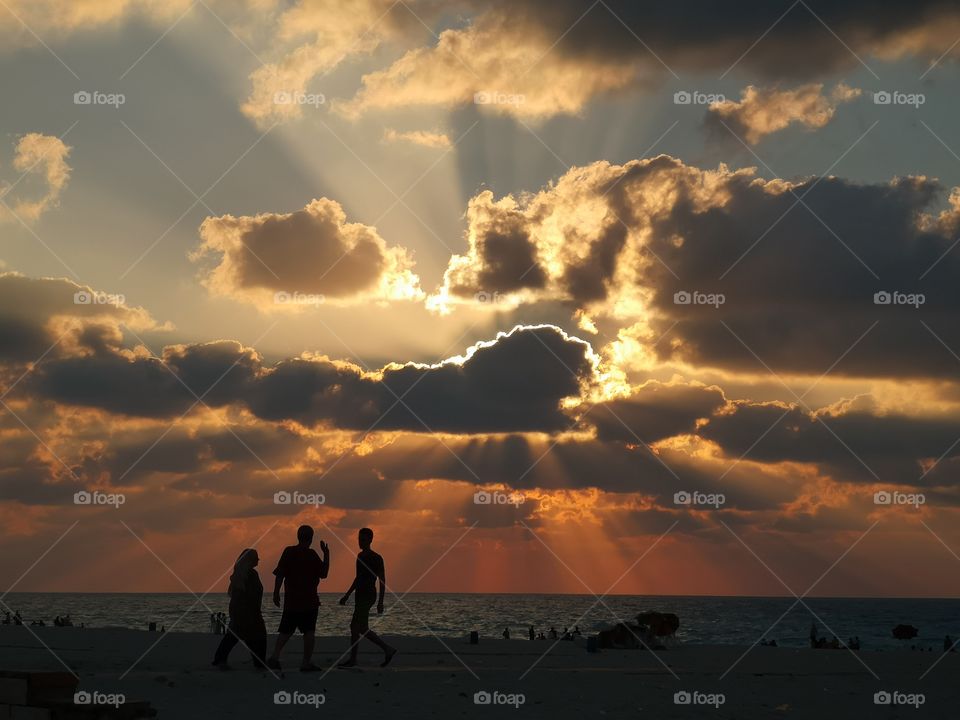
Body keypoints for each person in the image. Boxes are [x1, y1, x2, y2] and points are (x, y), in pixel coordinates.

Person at [266, 525, 329, 672]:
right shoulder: (312, 554)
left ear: (298, 536)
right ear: (311, 538)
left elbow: (280, 574)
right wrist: (326, 554)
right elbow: (324, 573)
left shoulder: (289, 551)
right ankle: (305, 663)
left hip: (292, 600)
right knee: (309, 632)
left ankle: (275, 657)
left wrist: (276, 593)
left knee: (286, 631)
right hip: (309, 601)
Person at [338, 527, 396, 668]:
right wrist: (347, 595)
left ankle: (354, 659)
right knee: (361, 628)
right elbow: (357, 578)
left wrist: (380, 602)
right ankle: (387, 649)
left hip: (368, 595)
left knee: (355, 626)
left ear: (370, 540)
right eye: (359, 539)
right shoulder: (359, 556)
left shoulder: (376, 558)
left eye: (363, 539)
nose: (360, 542)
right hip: (359, 595)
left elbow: (382, 580)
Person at [212, 548, 267, 670]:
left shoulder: (239, 573)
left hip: (239, 609)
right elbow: (253, 594)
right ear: (250, 560)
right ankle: (259, 662)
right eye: (256, 558)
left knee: (236, 634)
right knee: (258, 636)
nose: (258, 560)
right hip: (248, 610)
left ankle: (220, 659)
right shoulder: (251, 574)